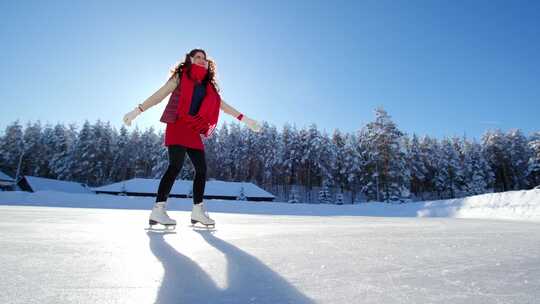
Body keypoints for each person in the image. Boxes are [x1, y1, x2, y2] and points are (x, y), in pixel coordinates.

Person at [123, 48, 261, 228]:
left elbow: (222, 105)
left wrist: (245, 119)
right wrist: (136, 111)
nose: (202, 60)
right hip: (178, 124)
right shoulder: (181, 76)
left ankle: (197, 211)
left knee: (202, 169)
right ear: (190, 59)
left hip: (193, 129)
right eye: (198, 57)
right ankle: (158, 210)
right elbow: (160, 95)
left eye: (204, 58)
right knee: (175, 166)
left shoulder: (208, 86)